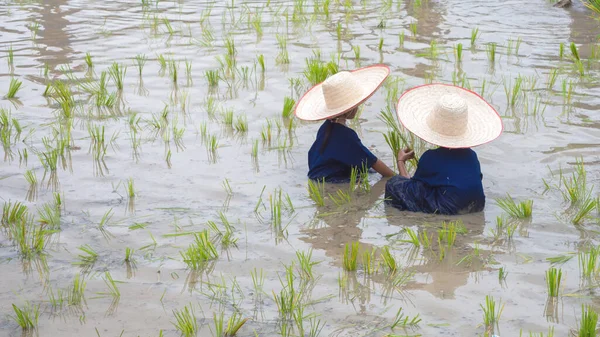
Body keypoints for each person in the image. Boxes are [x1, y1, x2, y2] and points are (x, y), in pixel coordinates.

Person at [385, 84, 503, 215]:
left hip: (449, 208)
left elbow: (410, 186)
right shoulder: (472, 156)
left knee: (393, 184)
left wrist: (401, 161)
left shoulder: (430, 157)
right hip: (478, 204)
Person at [295, 65, 396, 183]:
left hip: (319, 176)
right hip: (331, 181)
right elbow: (377, 165)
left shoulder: (326, 127)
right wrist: (397, 176)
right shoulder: (346, 136)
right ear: (350, 109)